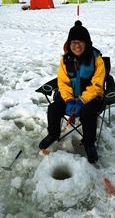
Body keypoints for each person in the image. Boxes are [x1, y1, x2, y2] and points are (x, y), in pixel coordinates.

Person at [39, 20, 106, 164]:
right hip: (70, 96)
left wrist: (82, 100)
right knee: (54, 108)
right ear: (69, 44)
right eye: (73, 42)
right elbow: (62, 83)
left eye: (80, 42)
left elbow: (97, 84)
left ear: (87, 43)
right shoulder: (65, 60)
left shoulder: (97, 59)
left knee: (88, 112)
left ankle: (89, 142)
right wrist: (69, 99)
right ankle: (53, 133)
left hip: (91, 97)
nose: (76, 45)